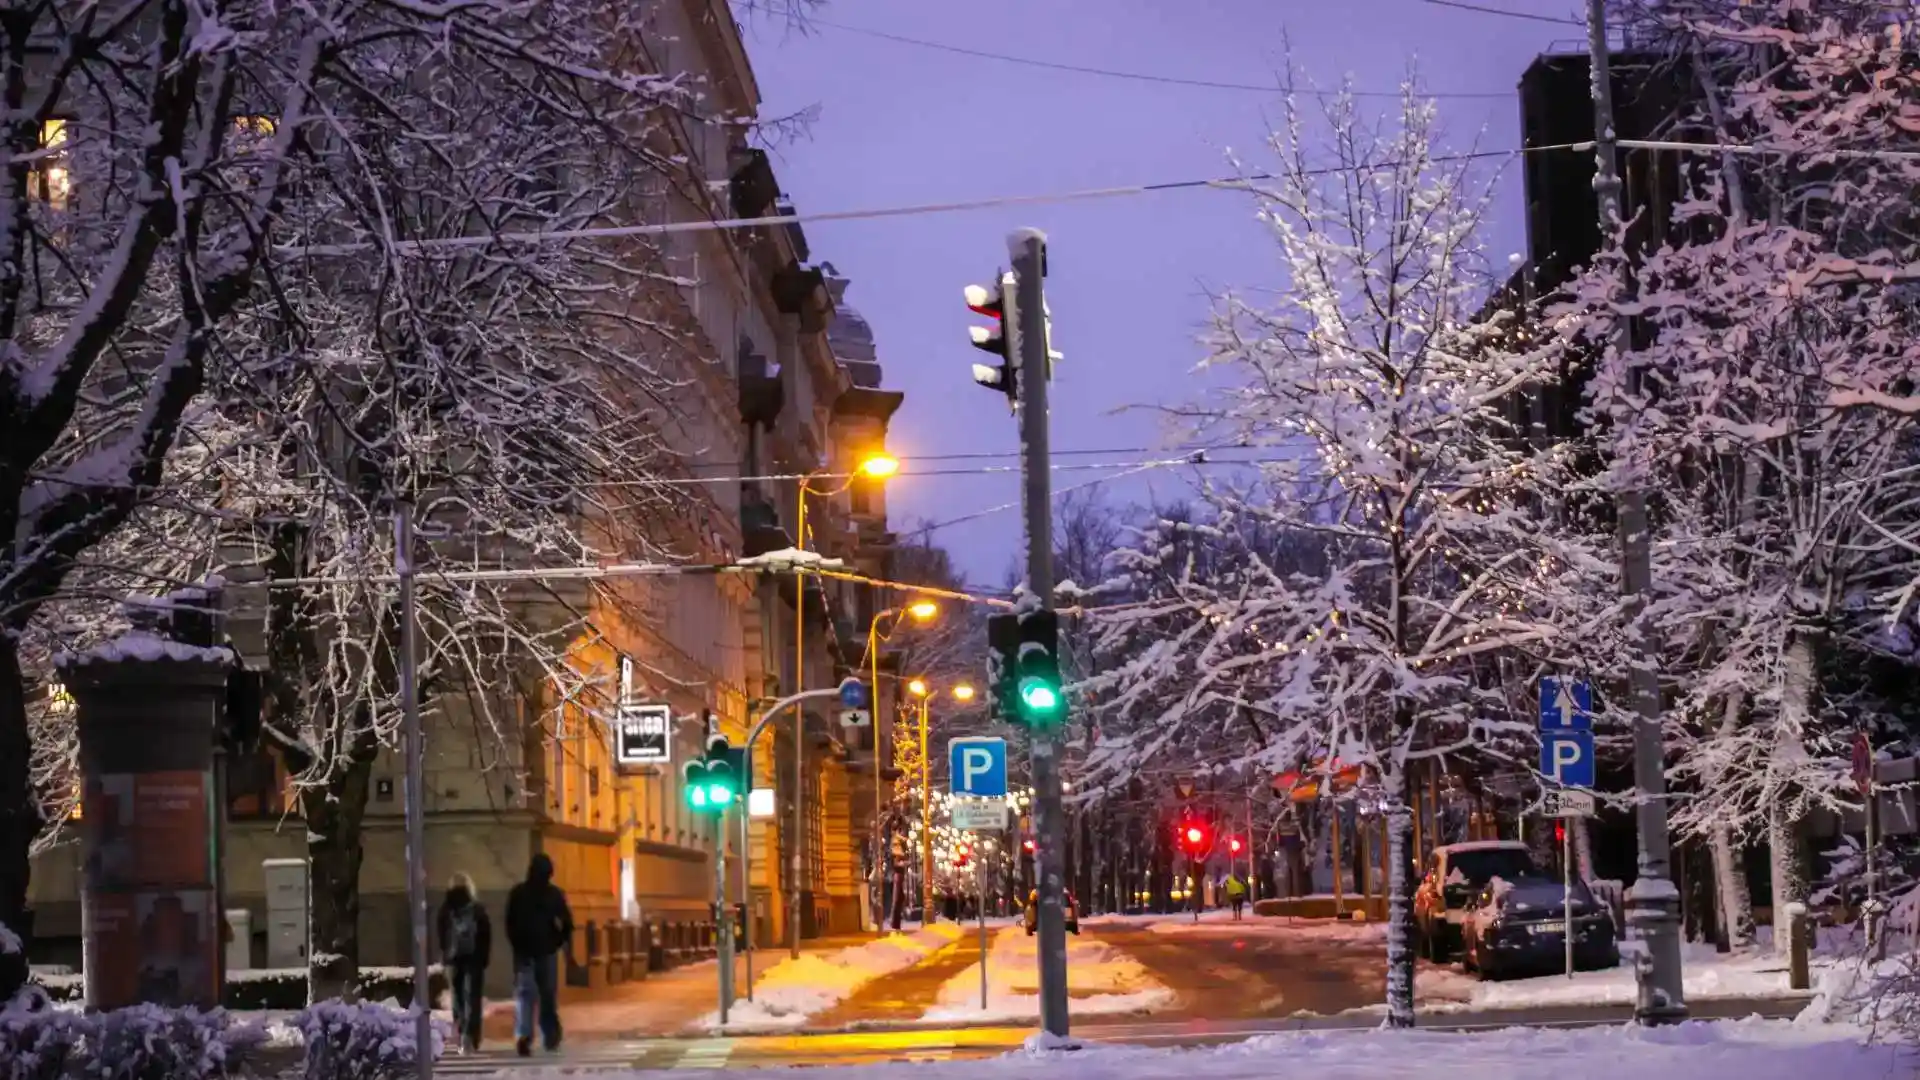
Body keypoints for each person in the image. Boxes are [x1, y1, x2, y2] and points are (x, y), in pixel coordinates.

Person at [504, 853, 574, 1056]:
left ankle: (524, 1034)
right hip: (546, 951)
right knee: (547, 994)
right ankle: (550, 1033)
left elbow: (509, 922)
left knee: (526, 995)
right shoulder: (554, 894)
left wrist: (517, 944)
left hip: (525, 952)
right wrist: (557, 941)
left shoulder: (518, 893)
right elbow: (567, 923)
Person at [436, 872, 493, 1053]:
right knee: (473, 998)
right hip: (474, 959)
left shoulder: (446, 908)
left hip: (453, 959)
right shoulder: (476, 908)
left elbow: (441, 933)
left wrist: (445, 954)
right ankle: (471, 1037)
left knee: (458, 999)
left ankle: (461, 1034)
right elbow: (485, 934)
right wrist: (484, 957)